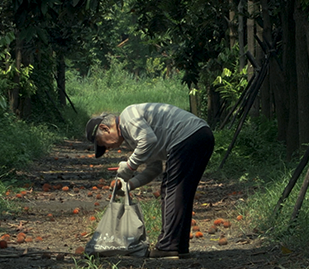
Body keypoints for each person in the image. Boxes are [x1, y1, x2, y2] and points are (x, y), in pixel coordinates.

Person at [85, 103, 214, 259]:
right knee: (182, 192)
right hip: (201, 135)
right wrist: (129, 185)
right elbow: (154, 168)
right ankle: (179, 246)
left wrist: (129, 167)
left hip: (188, 136)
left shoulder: (128, 116)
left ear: (106, 128)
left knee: (171, 190)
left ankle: (168, 247)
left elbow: (148, 140)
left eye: (102, 143)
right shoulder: (132, 137)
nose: (106, 148)